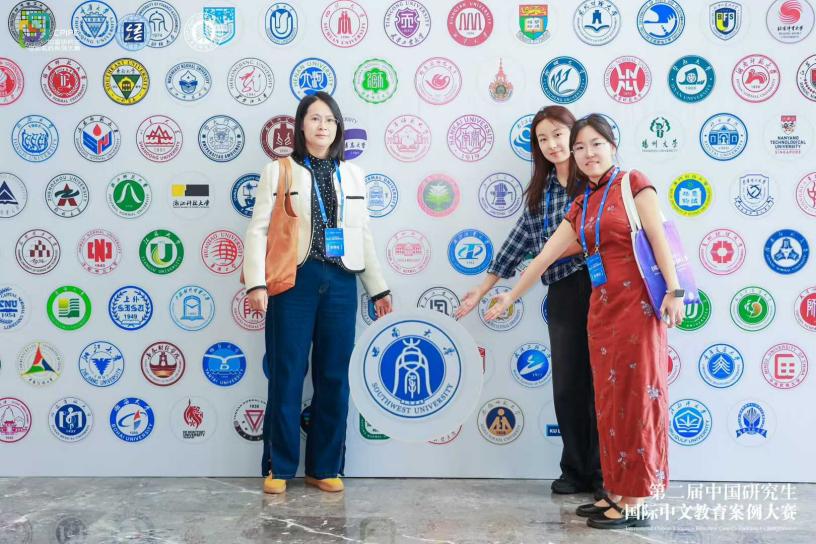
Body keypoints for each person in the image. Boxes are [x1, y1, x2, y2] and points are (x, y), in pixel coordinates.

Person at [484, 114, 684, 529]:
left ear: (612, 146)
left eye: (595, 144)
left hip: (638, 309)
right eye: (580, 147)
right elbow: (544, 257)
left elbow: (659, 236)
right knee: (609, 405)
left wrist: (675, 289)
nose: (587, 153)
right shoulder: (583, 204)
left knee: (636, 401)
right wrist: (511, 294)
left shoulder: (633, 184)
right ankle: (616, 490)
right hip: (602, 312)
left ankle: (636, 499)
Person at [243, 91, 392, 494]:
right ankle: (279, 467)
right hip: (294, 280)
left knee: (334, 377)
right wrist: (256, 282)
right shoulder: (279, 170)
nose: (322, 126)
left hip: (342, 282)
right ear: (301, 125)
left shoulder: (353, 174)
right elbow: (258, 230)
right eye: (314, 118)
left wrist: (378, 289)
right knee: (287, 373)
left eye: (329, 119)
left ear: (338, 128)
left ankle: (324, 467)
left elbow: (362, 234)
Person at [455, 106, 603, 498]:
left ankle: (603, 472)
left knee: (601, 382)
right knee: (568, 384)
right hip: (563, 293)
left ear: (574, 135)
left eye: (559, 135)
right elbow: (517, 243)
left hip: (600, 288)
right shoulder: (542, 190)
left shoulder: (595, 180)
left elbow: (594, 236)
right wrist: (482, 289)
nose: (553, 145)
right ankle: (575, 469)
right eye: (543, 139)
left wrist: (548, 255)